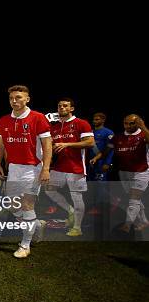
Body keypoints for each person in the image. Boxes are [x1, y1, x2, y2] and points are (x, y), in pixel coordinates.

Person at [0, 85, 52, 259]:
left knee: (27, 205)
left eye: (19, 97)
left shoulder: (38, 118)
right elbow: (1, 145)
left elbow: (47, 144)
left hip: (32, 169)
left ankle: (25, 245)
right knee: (13, 205)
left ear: (27, 99)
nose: (14, 101)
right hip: (13, 168)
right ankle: (36, 225)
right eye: (12, 98)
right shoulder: (3, 120)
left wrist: (46, 168)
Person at [43, 98, 95, 236]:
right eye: (59, 105)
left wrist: (67, 144)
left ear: (72, 108)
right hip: (59, 167)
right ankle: (70, 211)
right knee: (48, 189)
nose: (61, 108)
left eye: (65, 106)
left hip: (76, 167)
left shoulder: (81, 123)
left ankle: (77, 228)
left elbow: (90, 142)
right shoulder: (54, 126)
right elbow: (51, 145)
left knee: (77, 197)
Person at [105, 114, 149, 232]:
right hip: (124, 172)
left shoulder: (144, 135)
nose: (128, 126)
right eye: (126, 123)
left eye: (132, 123)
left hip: (141, 172)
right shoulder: (118, 137)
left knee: (134, 198)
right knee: (133, 198)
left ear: (138, 123)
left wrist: (143, 126)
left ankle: (127, 225)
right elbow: (108, 150)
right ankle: (144, 221)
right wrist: (102, 160)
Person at [86, 112, 114, 214]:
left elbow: (110, 149)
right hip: (91, 162)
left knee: (101, 185)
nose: (95, 121)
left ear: (103, 120)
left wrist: (107, 163)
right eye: (94, 119)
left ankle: (98, 207)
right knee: (93, 185)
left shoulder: (108, 132)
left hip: (102, 162)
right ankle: (113, 200)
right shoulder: (90, 132)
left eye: (97, 119)